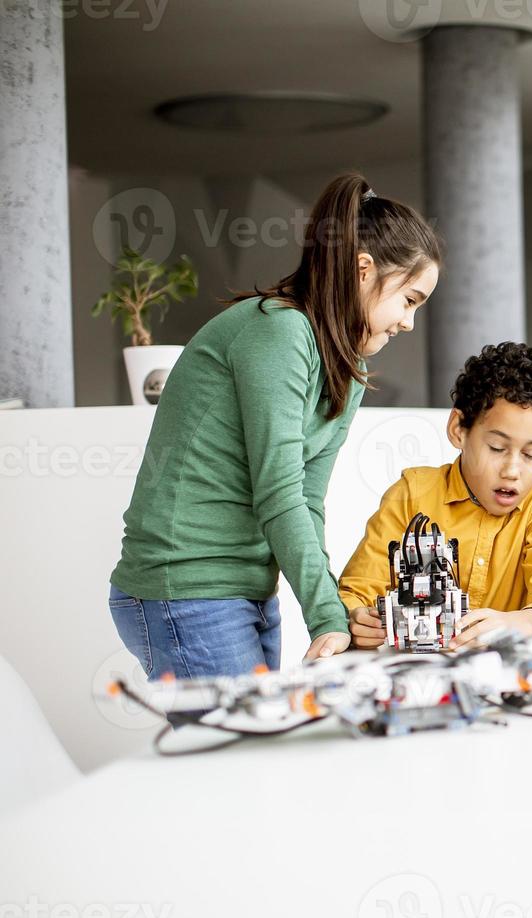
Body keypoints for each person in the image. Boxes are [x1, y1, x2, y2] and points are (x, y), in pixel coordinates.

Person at [109, 173, 441, 678]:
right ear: (362, 270)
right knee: (238, 754)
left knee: (257, 750)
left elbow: (307, 501)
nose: (408, 322)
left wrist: (332, 610)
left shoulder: (350, 371)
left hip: (249, 592)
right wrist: (328, 614)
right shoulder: (279, 330)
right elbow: (279, 491)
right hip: (186, 589)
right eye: (410, 300)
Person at [339, 342, 532, 647]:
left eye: (531, 454)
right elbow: (357, 590)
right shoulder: (414, 494)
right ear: (458, 428)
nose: (513, 470)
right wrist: (358, 618)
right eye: (497, 449)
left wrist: (524, 621)